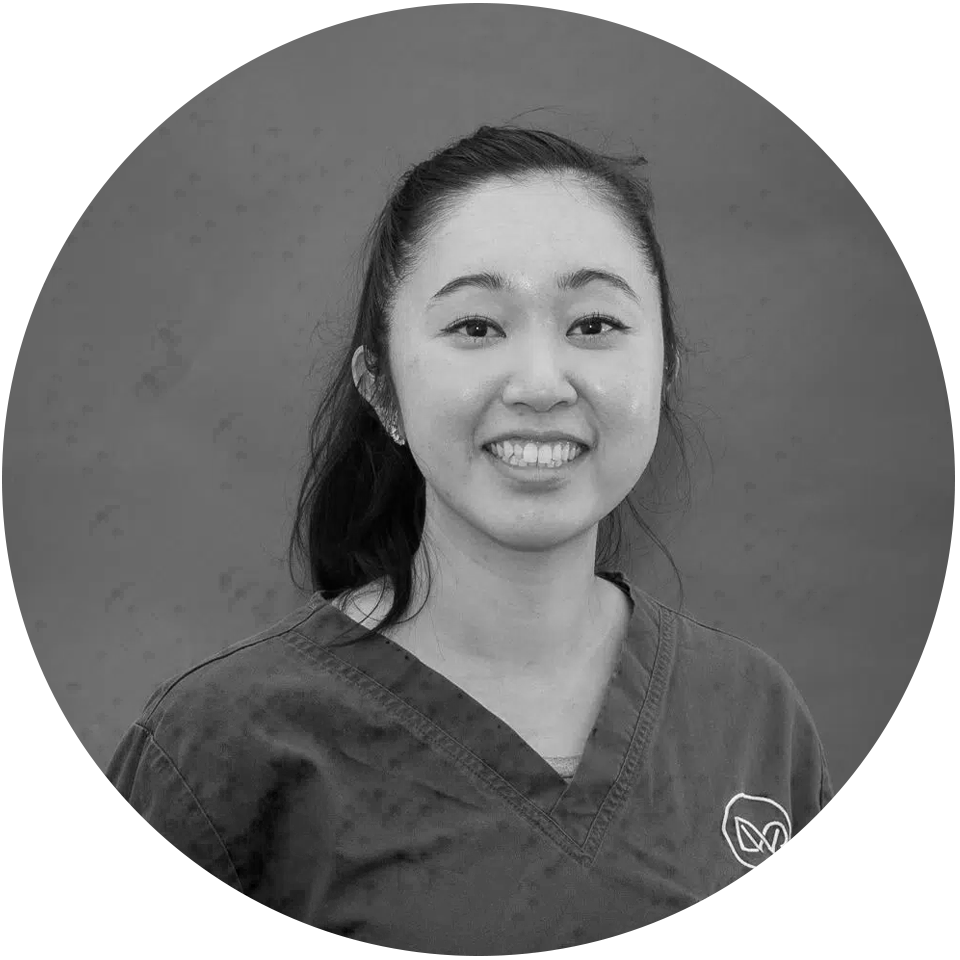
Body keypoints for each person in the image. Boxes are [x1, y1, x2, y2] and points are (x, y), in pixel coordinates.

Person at [81, 123, 862, 956]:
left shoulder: (751, 716)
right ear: (382, 387)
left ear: (664, 370)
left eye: (595, 324)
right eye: (477, 328)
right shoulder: (220, 748)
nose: (540, 384)